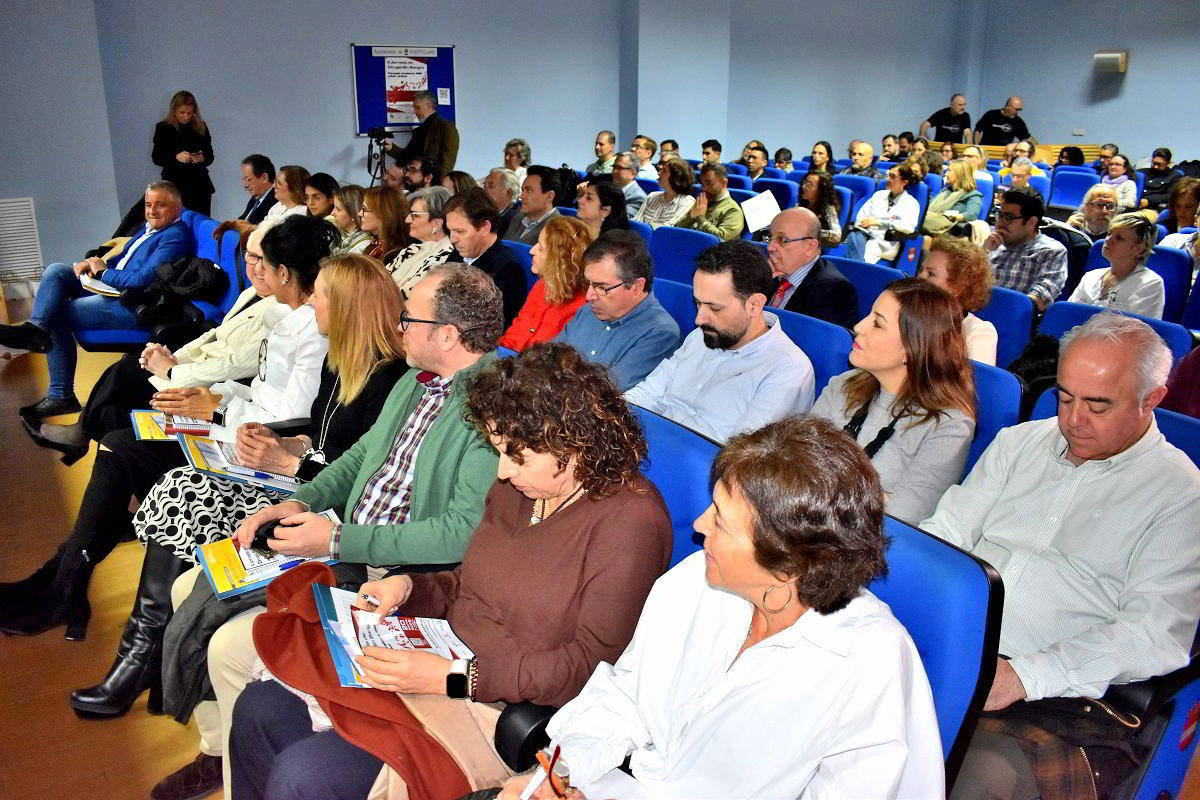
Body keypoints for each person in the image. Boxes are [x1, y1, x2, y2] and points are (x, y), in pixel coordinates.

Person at [227, 341, 673, 800]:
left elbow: (589, 667)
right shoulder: (523, 488)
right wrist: (410, 587)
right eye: (499, 450)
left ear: (574, 442)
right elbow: (468, 582)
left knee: (305, 777)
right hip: (441, 659)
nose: (502, 472)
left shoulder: (631, 522)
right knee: (261, 710)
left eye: (517, 456)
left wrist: (457, 677)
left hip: (500, 708)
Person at [157, 264, 503, 798]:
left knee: (228, 643)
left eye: (410, 317)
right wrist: (299, 499)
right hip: (349, 538)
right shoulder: (416, 379)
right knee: (192, 586)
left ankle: (239, 765)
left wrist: (335, 540)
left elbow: (459, 534)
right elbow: (365, 454)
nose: (399, 326)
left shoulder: (490, 405)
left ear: (448, 335)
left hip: (388, 568)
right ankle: (223, 752)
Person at [498, 415, 944, 800]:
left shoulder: (867, 665)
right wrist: (558, 771)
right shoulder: (699, 579)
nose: (698, 525)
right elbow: (629, 695)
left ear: (788, 562)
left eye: (721, 521)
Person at [72, 253, 406, 730]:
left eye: (322, 295)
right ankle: (144, 650)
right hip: (302, 476)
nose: (311, 301)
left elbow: (359, 471)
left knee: (188, 493)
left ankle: (142, 655)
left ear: (348, 307)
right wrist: (284, 441)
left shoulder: (390, 379)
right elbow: (321, 432)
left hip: (322, 505)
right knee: (182, 484)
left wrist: (290, 459)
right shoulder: (341, 361)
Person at [0, 215, 336, 644]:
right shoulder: (284, 315)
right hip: (232, 424)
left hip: (255, 452)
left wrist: (214, 409)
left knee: (124, 447)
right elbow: (256, 389)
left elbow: (286, 418)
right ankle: (61, 580)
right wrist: (215, 399)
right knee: (122, 442)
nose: (255, 272)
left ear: (284, 273)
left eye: (262, 264)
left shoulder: (310, 329)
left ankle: (64, 587)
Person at [923, 312, 1200, 800]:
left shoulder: (1180, 495)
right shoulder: (1018, 444)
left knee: (967, 774)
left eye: (1097, 405)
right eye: (1065, 396)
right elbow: (945, 536)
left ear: (1151, 399)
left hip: (1056, 692)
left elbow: (1153, 634)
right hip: (957, 647)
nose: (1073, 420)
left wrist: (1025, 675)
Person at [21, 224, 281, 463]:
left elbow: (235, 366)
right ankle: (102, 452)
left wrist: (171, 370)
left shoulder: (281, 311)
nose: (255, 268)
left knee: (124, 376)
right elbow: (213, 334)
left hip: (212, 386)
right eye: (249, 257)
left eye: (263, 259)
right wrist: (175, 356)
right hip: (193, 366)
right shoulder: (252, 291)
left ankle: (83, 437)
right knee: (118, 387)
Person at [0, 182, 193, 415]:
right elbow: (121, 261)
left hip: (135, 302)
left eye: (160, 205)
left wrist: (102, 272)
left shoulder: (175, 235)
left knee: (58, 313)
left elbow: (141, 279)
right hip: (113, 287)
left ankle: (61, 396)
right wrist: (91, 265)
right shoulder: (149, 228)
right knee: (56, 271)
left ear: (178, 208)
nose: (152, 211)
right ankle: (35, 330)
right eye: (148, 204)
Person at [812, 278, 976, 523]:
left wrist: (825, 480)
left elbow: (904, 518)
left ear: (911, 349)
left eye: (877, 323)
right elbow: (795, 462)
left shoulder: (948, 426)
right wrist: (881, 495)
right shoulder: (844, 384)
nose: (859, 326)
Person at [626, 240, 814, 442]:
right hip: (651, 443)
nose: (699, 319)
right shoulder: (702, 335)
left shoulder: (789, 370)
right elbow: (648, 394)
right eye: (698, 303)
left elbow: (739, 456)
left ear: (754, 304)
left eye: (714, 308)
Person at [554, 230, 679, 390]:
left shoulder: (661, 335)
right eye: (588, 284)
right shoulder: (587, 312)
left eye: (601, 287)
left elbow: (604, 392)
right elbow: (549, 357)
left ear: (636, 287)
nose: (589, 295)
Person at [498, 216, 594, 351]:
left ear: (560, 261)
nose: (532, 251)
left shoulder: (584, 307)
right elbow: (513, 336)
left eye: (541, 248)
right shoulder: (541, 286)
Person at [444, 187, 525, 327]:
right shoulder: (458, 253)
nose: (452, 239)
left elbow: (487, 326)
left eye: (460, 231)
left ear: (485, 227)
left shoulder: (507, 269)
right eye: (450, 230)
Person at [765, 207, 857, 329]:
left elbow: (810, 344)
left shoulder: (834, 290)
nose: (770, 247)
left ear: (810, 247)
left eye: (783, 240)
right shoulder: (769, 273)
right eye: (770, 238)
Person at [984, 187, 1067, 310]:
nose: (999, 224)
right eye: (999, 215)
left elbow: (1038, 301)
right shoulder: (993, 244)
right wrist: (982, 253)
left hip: (1013, 321)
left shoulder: (1052, 251)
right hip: (975, 313)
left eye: (1008, 218)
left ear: (1031, 222)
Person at [916, 236, 996, 363]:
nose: (920, 277)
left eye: (931, 273)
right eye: (921, 270)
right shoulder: (908, 314)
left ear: (959, 285)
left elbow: (973, 382)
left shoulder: (978, 333)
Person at [1069, 213, 1164, 318]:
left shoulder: (1150, 283)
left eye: (1119, 238)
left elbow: (1135, 329)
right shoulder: (1090, 276)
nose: (1108, 240)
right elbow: (1068, 315)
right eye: (1109, 233)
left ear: (1139, 249)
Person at [843, 163, 921, 264]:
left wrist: (878, 222)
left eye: (893, 177)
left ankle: (857, 267)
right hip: (865, 236)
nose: (888, 179)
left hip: (885, 243)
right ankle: (858, 266)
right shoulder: (879, 195)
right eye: (888, 175)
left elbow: (908, 227)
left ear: (904, 182)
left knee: (856, 254)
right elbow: (861, 216)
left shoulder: (911, 203)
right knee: (854, 234)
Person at [151, 91, 214, 215]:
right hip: (175, 186)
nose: (186, 116)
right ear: (174, 111)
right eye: (182, 112)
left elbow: (210, 157)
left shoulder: (201, 127)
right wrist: (175, 157)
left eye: (189, 113)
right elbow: (156, 157)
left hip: (199, 186)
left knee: (201, 225)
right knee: (178, 225)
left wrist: (202, 158)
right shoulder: (164, 128)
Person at [386, 186, 455, 296]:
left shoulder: (445, 260)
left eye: (415, 215)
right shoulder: (413, 249)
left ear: (437, 223)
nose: (407, 220)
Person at [384, 90, 459, 173]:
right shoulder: (419, 130)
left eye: (418, 107)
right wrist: (391, 148)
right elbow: (407, 155)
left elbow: (448, 161)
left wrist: (438, 183)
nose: (414, 111)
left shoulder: (446, 126)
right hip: (417, 179)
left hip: (434, 181)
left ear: (429, 106)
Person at [678, 162, 746, 242]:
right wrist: (690, 217)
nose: (704, 189)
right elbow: (678, 230)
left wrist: (700, 218)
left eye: (708, 183)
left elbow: (721, 240)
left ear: (723, 183)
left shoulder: (733, 211)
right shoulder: (702, 202)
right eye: (702, 184)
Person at [922, 159, 983, 237]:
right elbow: (928, 206)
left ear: (960, 174)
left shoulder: (973, 195)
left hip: (949, 231)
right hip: (931, 224)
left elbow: (972, 214)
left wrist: (952, 217)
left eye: (950, 171)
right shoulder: (945, 191)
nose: (946, 174)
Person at [502, 165, 560, 245]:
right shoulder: (518, 218)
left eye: (529, 190)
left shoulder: (559, 229)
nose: (521, 196)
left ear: (549, 196)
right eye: (522, 190)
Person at [635, 158, 695, 228]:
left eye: (664, 171)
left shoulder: (687, 202)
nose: (659, 173)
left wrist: (645, 228)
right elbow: (637, 220)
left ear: (676, 178)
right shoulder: (652, 196)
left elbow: (670, 228)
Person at [359, 186, 412, 263]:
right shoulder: (375, 245)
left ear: (383, 214)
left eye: (364, 209)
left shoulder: (396, 255)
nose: (360, 213)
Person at [797, 170, 842, 246]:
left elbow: (837, 235)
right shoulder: (800, 205)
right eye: (805, 182)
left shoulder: (828, 209)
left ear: (820, 190)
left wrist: (811, 233)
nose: (803, 187)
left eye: (810, 184)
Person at [329, 184, 371, 255]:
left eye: (338, 209)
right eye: (334, 207)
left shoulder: (363, 246)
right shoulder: (335, 231)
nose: (332, 213)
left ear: (353, 213)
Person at [238, 154, 277, 223]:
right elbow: (241, 221)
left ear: (264, 178)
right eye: (244, 179)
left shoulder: (276, 202)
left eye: (249, 179)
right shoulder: (254, 200)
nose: (245, 185)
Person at [1140, 148, 1182, 212]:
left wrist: (1149, 200)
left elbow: (1170, 195)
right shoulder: (1141, 172)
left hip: (1153, 209)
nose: (1155, 167)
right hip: (1134, 205)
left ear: (1168, 163)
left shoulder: (1174, 176)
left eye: (1159, 164)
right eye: (1153, 163)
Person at [483, 167, 522, 235]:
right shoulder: (481, 216)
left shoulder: (514, 222)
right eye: (484, 186)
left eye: (490, 186)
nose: (484, 191)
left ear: (508, 193)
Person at [610, 151, 646, 216]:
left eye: (619, 168)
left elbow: (619, 218)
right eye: (614, 167)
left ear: (633, 173)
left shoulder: (638, 197)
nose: (614, 171)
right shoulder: (609, 188)